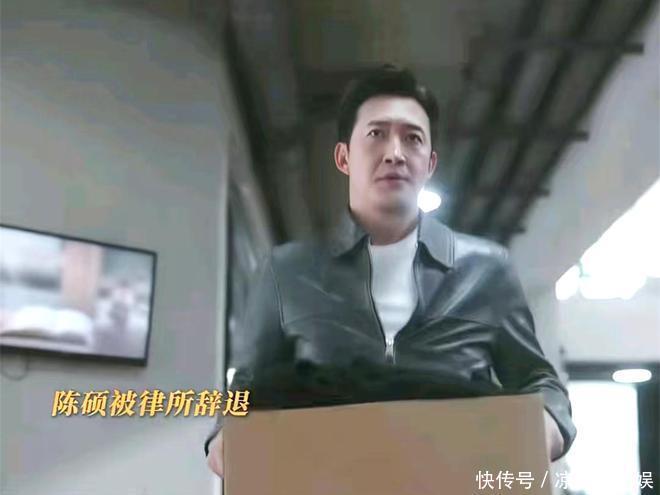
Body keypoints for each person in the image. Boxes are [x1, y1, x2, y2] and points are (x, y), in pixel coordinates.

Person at [205, 65, 576, 478]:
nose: (395, 153)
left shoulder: (486, 269)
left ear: (430, 163)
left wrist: (544, 427)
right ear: (344, 157)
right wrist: (225, 435)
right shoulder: (286, 271)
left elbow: (539, 379)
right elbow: (245, 392)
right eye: (376, 134)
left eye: (412, 138)